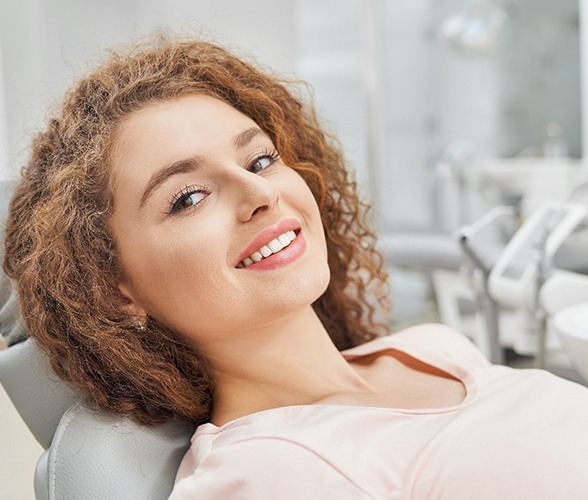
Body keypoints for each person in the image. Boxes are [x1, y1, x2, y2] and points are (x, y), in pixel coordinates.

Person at [3, 36, 588, 499]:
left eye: (260, 158)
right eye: (188, 197)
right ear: (117, 291)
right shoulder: (262, 474)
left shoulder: (432, 348)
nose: (259, 191)